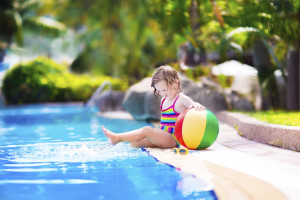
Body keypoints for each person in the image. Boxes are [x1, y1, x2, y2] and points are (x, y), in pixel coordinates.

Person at [102, 65, 206, 149]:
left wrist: (194, 104)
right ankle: (117, 141)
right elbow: (164, 122)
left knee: (147, 130)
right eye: (159, 90)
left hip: (174, 138)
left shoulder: (181, 99)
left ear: (175, 83)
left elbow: (192, 105)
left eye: (164, 90)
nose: (161, 93)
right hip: (163, 135)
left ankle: (117, 137)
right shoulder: (164, 100)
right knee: (135, 143)